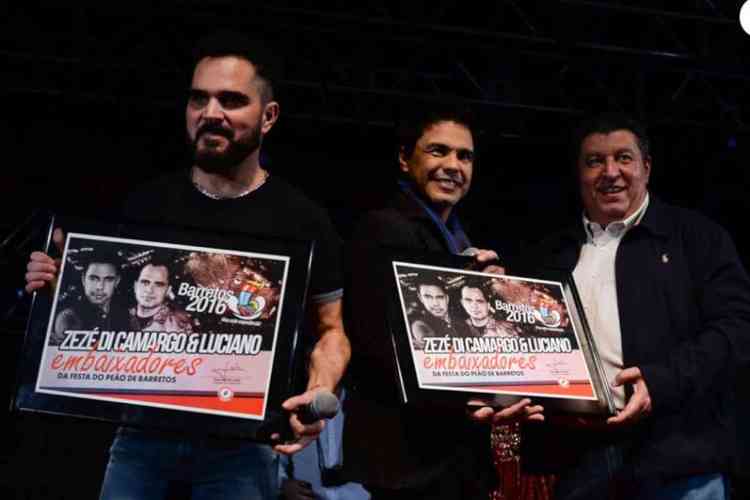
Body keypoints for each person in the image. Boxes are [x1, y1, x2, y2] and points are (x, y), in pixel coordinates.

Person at [25, 32, 350, 499]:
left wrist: (317, 388)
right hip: (141, 439)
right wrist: (55, 285)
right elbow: (105, 312)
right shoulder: (145, 203)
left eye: (232, 100)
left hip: (241, 448)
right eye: (199, 98)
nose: (210, 113)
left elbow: (331, 330)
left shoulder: (303, 219)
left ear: (269, 116)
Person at [522, 112, 750, 500]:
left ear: (646, 167)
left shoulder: (696, 237)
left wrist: (659, 382)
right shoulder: (550, 254)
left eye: (623, 158)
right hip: (579, 462)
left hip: (680, 461)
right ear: (579, 173)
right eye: (595, 161)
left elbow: (738, 329)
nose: (610, 172)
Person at [342, 104, 546, 499]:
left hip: (451, 454)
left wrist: (494, 294)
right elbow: (378, 344)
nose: (453, 165)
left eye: (464, 156)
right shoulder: (383, 230)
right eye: (438, 151)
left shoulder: (458, 239)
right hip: (405, 455)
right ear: (405, 158)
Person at [51, 248, 129, 345]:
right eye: (93, 278)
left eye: (108, 279)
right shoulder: (69, 318)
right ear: (84, 279)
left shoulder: (125, 315)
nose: (100, 287)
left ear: (117, 281)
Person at [129, 261, 193, 333]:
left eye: (158, 285)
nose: (149, 290)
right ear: (135, 286)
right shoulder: (123, 315)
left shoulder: (176, 324)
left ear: (168, 290)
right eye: (145, 282)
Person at [410, 278, 456, 348]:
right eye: (428, 297)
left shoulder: (463, 323)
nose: (435, 304)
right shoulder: (420, 325)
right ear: (420, 298)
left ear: (447, 298)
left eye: (440, 297)